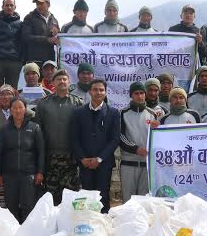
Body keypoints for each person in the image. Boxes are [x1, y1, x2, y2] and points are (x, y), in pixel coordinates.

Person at [33, 69, 83, 204]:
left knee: (71, 198)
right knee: (51, 197)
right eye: (58, 79)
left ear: (69, 82)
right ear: (53, 83)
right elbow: (38, 131)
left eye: (64, 79)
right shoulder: (43, 103)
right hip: (50, 158)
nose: (62, 81)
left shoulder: (78, 103)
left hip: (72, 159)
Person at [70, 79, 120, 212]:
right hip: (85, 164)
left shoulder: (113, 113)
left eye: (101, 90)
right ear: (90, 92)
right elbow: (74, 139)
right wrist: (82, 159)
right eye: (95, 90)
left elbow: (114, 140)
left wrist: (99, 159)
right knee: (87, 197)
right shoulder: (78, 113)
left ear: (105, 92)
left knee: (103, 197)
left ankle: (103, 226)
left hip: (104, 164)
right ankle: (88, 227)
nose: (98, 92)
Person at [0, 98, 45, 222]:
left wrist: (40, 172)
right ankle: (13, 235)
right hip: (9, 174)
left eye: (20, 107)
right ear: (10, 110)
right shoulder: (4, 129)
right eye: (14, 108)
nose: (18, 110)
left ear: (25, 109)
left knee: (29, 206)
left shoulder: (34, 128)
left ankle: (27, 235)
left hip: (29, 174)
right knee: (11, 207)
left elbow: (41, 151)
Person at [120, 82, 159, 199]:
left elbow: (156, 137)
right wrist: (135, 149)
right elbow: (120, 137)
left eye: (142, 93)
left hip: (147, 164)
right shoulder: (123, 113)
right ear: (131, 95)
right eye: (136, 93)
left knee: (144, 200)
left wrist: (158, 128)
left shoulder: (152, 114)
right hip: (128, 162)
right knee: (128, 200)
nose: (140, 96)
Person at [20, 0, 60, 66]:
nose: (38, 6)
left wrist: (57, 35)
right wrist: (47, 39)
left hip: (50, 60)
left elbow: (58, 40)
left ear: (48, 5)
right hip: (33, 59)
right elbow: (26, 37)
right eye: (37, 4)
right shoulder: (29, 17)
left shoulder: (54, 20)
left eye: (41, 4)